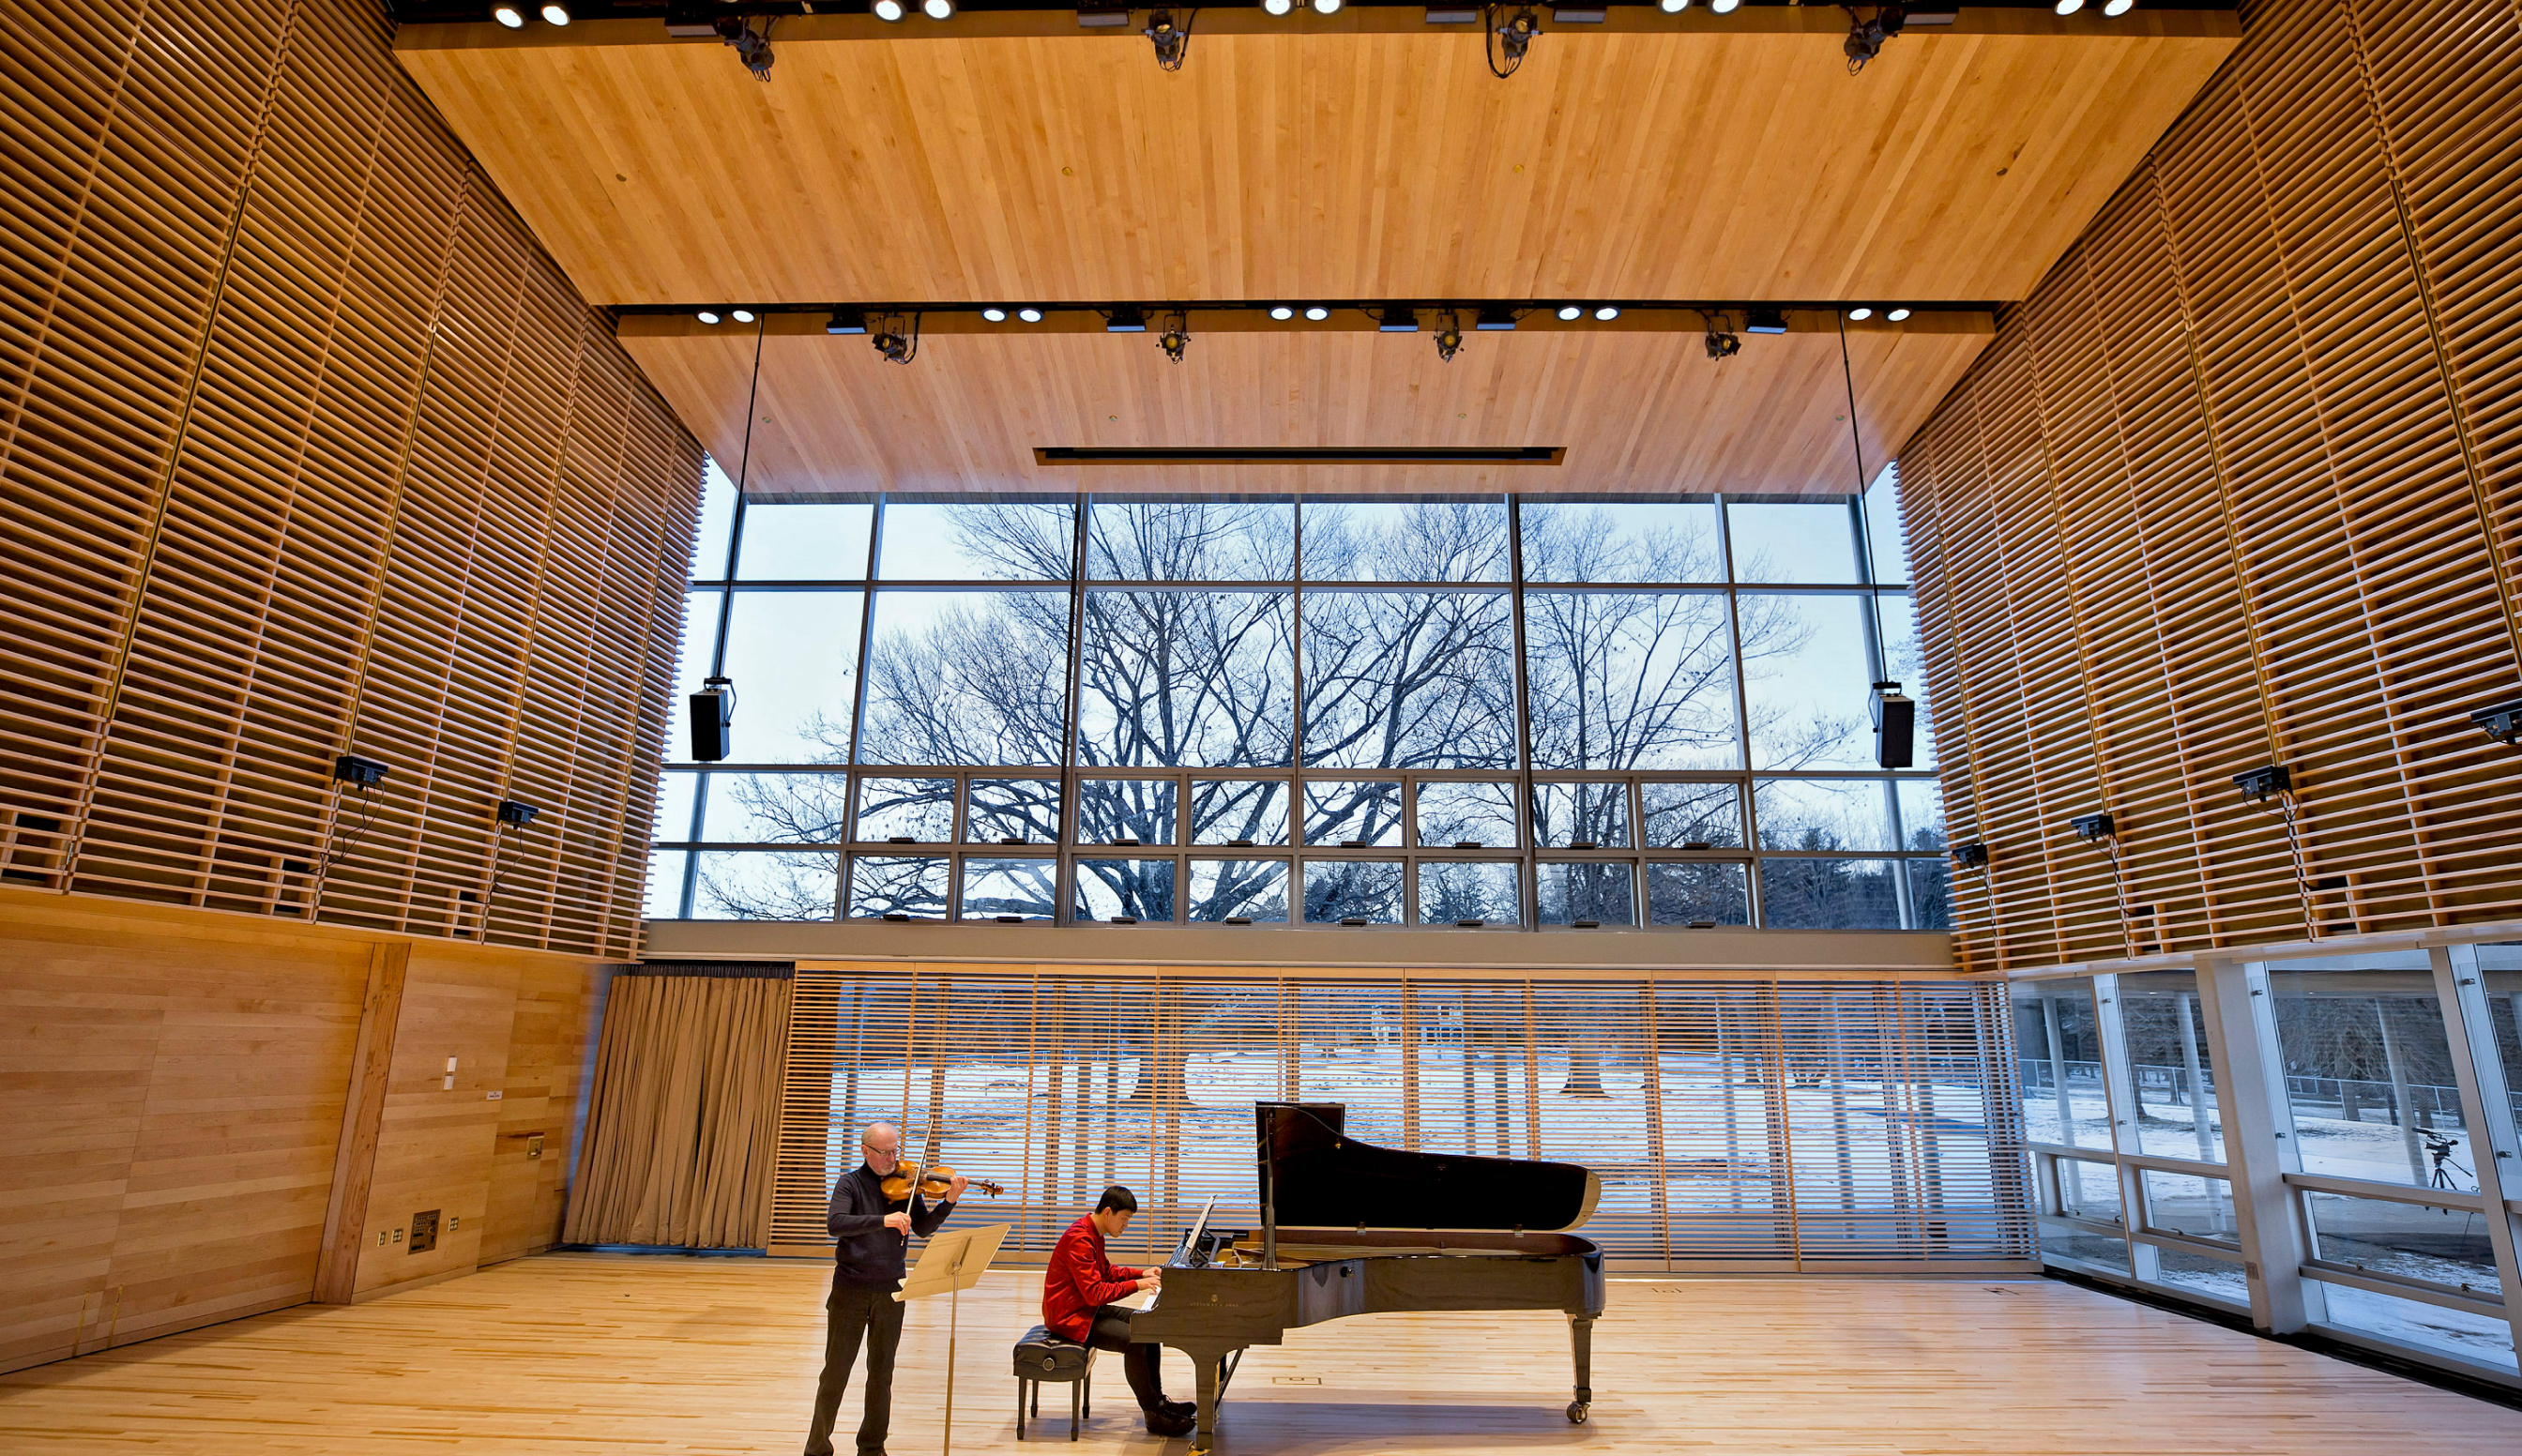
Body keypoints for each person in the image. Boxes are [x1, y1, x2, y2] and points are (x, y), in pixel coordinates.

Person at [804, 1122, 966, 1456]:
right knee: (835, 1371)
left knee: (882, 1373)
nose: (894, 1158)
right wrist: (883, 1220)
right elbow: (835, 1223)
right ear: (866, 1152)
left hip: (891, 1290)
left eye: (897, 1150)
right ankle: (817, 1448)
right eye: (886, 1152)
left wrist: (948, 1202)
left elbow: (922, 1229)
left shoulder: (907, 1187)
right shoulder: (849, 1183)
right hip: (850, 1288)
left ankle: (872, 1447)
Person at [1041, 1185, 1195, 1437]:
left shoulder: (1093, 1233)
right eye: (1124, 1219)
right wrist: (1137, 1285)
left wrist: (1141, 1273)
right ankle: (1153, 1414)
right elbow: (1095, 1293)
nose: (1126, 1225)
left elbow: (1107, 1272)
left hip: (1087, 1310)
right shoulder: (1079, 1239)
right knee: (1134, 1340)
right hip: (1070, 1318)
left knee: (1148, 1325)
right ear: (1108, 1212)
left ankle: (1160, 1403)